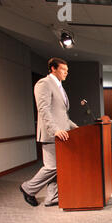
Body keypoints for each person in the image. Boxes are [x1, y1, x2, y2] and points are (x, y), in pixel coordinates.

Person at [20, 58, 78, 207]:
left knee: (58, 167)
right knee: (53, 167)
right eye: (63, 70)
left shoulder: (59, 86)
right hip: (52, 134)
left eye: (67, 70)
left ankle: (52, 198)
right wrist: (55, 130)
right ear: (53, 68)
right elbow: (43, 109)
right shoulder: (44, 83)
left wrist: (76, 128)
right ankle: (28, 188)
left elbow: (62, 115)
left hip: (63, 133)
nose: (66, 72)